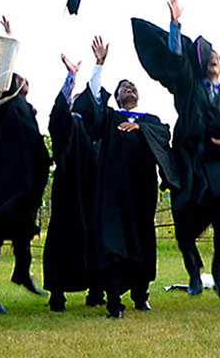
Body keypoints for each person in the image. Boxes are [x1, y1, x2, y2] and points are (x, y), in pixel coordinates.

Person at [132, 0, 220, 300]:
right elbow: (177, 61)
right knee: (183, 221)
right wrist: (174, 24)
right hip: (188, 156)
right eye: (210, 57)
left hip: (216, 160)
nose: (213, 59)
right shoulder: (189, 85)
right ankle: (194, 271)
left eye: (218, 59)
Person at [73, 36, 176, 318]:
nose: (128, 88)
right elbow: (90, 108)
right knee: (112, 243)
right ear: (116, 98)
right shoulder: (108, 119)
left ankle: (141, 296)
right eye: (122, 88)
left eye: (132, 86)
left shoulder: (150, 121)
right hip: (111, 194)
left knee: (141, 242)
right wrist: (99, 64)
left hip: (141, 194)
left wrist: (139, 128)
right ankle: (114, 301)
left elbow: (164, 135)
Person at [0, 17, 51, 313]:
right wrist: (8, 40)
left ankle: (21, 274)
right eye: (19, 77)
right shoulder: (4, 100)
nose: (24, 80)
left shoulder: (28, 110)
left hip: (26, 180)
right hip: (5, 177)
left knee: (22, 229)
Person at [44, 52, 98, 312]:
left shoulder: (96, 128)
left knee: (94, 238)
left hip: (91, 191)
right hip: (68, 189)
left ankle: (95, 290)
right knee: (64, 237)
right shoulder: (68, 124)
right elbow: (58, 115)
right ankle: (57, 294)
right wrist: (71, 78)